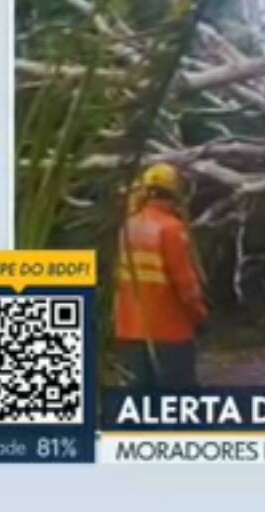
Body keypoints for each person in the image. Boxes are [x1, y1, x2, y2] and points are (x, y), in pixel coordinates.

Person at [113, 162, 207, 388]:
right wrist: (200, 314)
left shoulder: (127, 227)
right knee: (177, 398)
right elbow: (186, 286)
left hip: (130, 329)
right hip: (170, 331)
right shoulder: (172, 229)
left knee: (140, 398)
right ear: (175, 193)